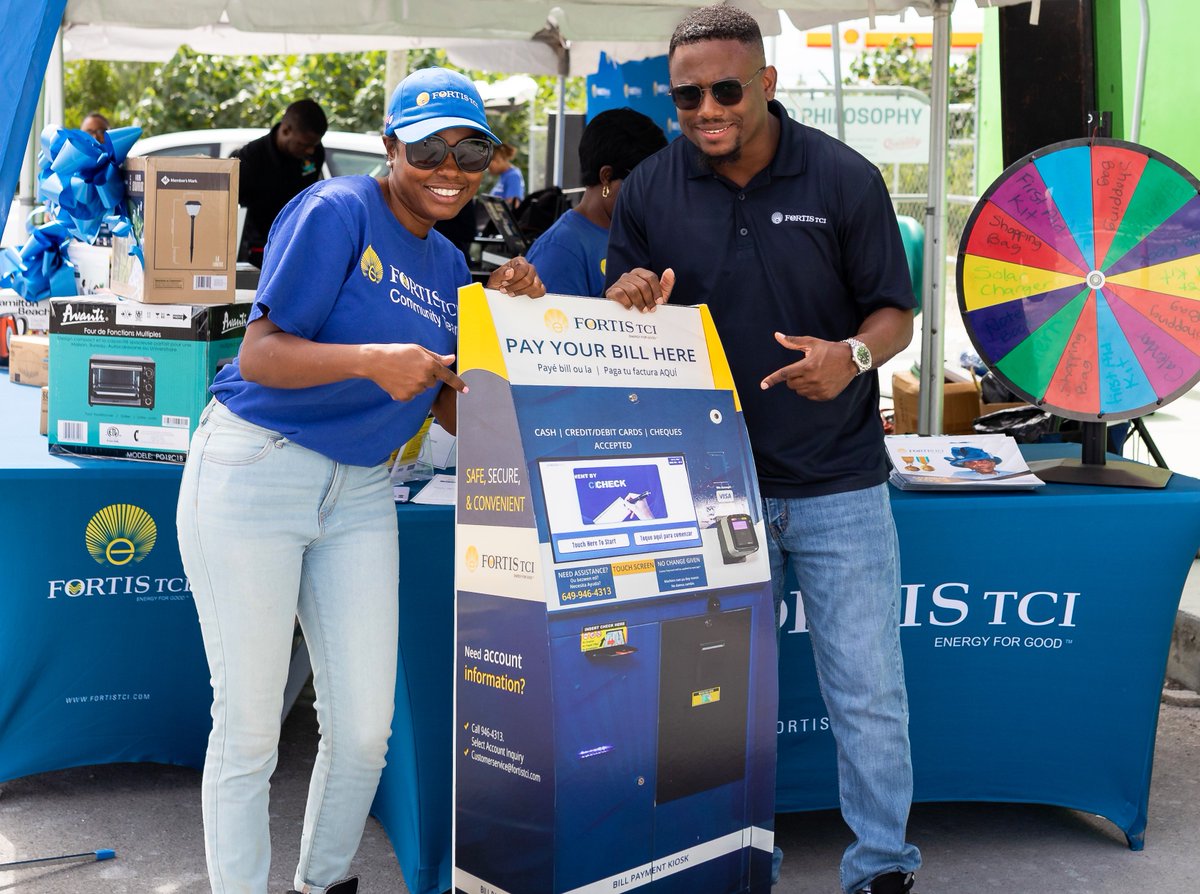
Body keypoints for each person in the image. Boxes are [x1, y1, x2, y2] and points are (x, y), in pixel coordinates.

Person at [176, 67, 543, 894]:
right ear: (389, 147)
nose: (449, 169)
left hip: (361, 491)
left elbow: (457, 411)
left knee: (365, 729)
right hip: (257, 469)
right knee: (249, 728)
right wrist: (372, 362)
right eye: (428, 149)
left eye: (470, 152)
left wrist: (511, 321)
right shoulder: (336, 210)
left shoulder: (448, 264)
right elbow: (259, 355)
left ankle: (324, 882)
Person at [603, 7, 921, 894]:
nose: (706, 109)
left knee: (867, 690)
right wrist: (628, 292)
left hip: (839, 483)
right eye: (687, 96)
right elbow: (619, 296)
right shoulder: (650, 187)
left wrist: (852, 357)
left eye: (725, 90)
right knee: (714, 703)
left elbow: (893, 312)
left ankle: (881, 866)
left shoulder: (844, 177)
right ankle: (736, 863)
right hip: (709, 487)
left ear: (767, 84)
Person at [525, 108, 667, 297]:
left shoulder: (635, 235)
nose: (655, 194)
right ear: (606, 177)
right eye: (645, 183)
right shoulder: (559, 250)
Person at [231, 98, 328, 268]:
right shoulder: (250, 158)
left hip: (298, 245)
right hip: (260, 253)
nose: (310, 150)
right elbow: (229, 208)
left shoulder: (315, 154)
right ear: (286, 130)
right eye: (304, 144)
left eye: (314, 144)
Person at [487, 143, 525, 207]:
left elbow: (514, 205)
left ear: (499, 159)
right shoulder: (504, 175)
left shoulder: (513, 176)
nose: (487, 169)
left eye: (489, 166)